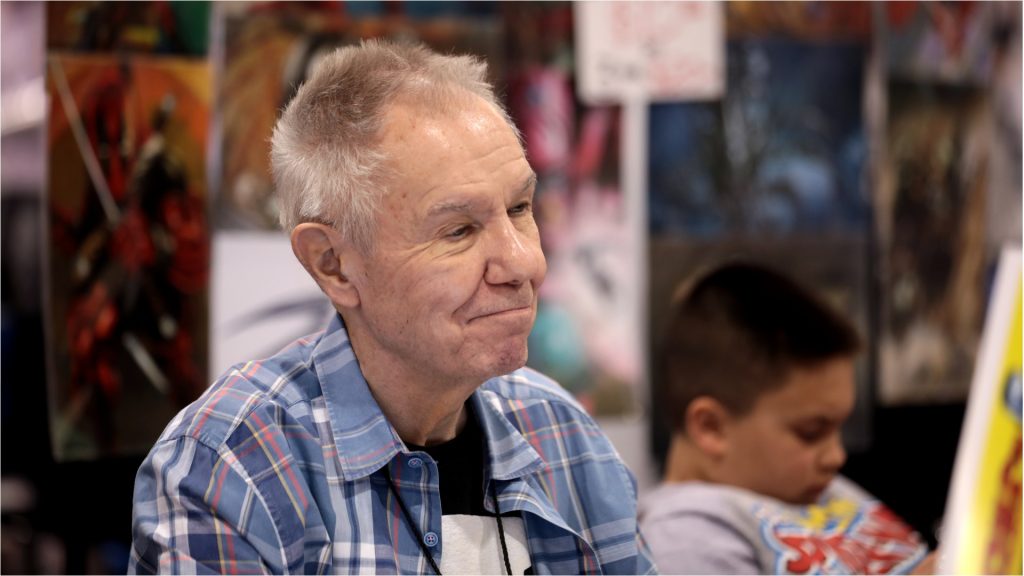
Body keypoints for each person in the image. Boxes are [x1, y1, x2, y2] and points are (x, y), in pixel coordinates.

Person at [129, 40, 655, 575]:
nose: (525, 263)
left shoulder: (564, 436)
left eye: (520, 207)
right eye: (458, 231)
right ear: (333, 265)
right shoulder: (236, 465)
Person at [640, 262, 934, 575]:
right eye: (811, 432)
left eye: (839, 426)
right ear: (711, 428)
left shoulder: (803, 486)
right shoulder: (684, 536)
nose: (836, 456)